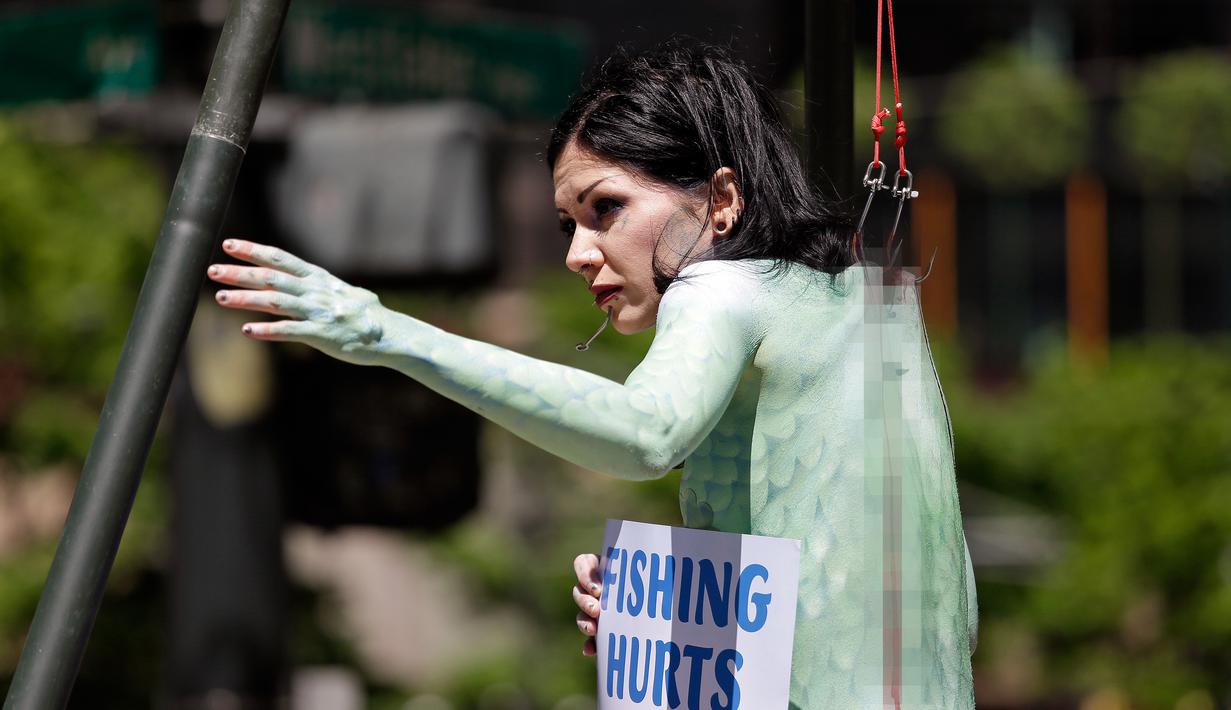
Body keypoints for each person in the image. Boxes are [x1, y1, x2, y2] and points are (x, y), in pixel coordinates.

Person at [208, 40, 976, 710]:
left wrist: (386, 333)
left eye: (605, 208)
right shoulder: (863, 304)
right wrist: (667, 615)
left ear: (721, 199)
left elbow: (644, 434)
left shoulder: (722, 290)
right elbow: (834, 577)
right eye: (567, 224)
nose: (577, 252)